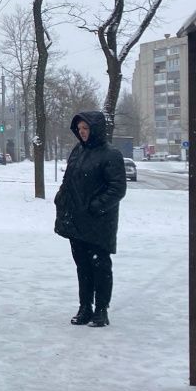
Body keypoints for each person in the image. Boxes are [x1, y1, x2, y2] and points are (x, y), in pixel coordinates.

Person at [54, 111, 127, 328]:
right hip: (76, 219)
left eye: (86, 129)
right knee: (82, 266)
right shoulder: (78, 151)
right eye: (80, 129)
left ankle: (101, 310)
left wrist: (96, 206)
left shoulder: (110, 154)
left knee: (100, 266)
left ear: (95, 129)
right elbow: (68, 179)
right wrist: (61, 198)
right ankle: (85, 307)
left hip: (99, 222)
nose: (82, 133)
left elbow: (117, 188)